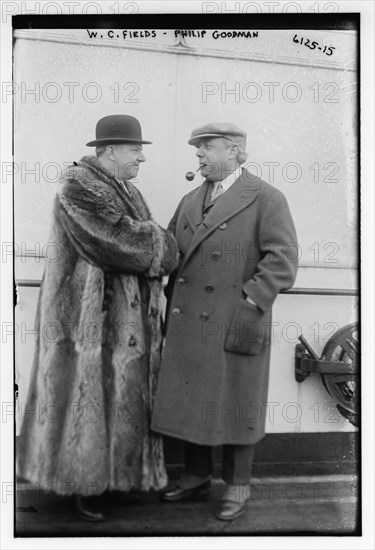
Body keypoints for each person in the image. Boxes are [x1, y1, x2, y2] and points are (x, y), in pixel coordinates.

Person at [17, 115, 179, 522]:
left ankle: (106, 480)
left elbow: (133, 238)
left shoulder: (125, 190)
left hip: (116, 319)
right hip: (83, 319)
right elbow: (119, 242)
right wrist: (162, 242)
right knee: (83, 396)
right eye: (135, 149)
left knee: (112, 397)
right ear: (109, 151)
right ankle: (78, 484)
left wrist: (151, 240)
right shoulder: (79, 188)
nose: (141, 157)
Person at [151, 122, 298, 521]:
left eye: (207, 147)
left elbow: (282, 261)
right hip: (188, 322)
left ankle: (237, 485)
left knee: (237, 402)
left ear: (234, 151)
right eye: (198, 148)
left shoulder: (266, 197)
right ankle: (197, 474)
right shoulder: (189, 199)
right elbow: (168, 249)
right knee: (193, 398)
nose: (198, 154)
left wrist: (250, 303)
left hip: (235, 318)